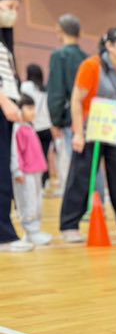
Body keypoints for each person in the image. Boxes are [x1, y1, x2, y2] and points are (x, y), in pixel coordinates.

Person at [59, 27, 116, 243]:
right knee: (81, 176)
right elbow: (76, 100)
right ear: (109, 45)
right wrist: (78, 133)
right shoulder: (91, 66)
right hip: (91, 129)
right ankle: (69, 225)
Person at [0, 0, 33, 253]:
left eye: (17, 9)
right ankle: (4, 236)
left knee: (4, 171)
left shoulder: (5, 41)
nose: (14, 14)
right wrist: (4, 102)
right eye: (9, 7)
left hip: (7, 110)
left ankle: (5, 232)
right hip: (3, 107)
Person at [47, 13, 86, 198]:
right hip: (88, 117)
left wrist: (55, 120)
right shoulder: (87, 58)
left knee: (71, 164)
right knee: (88, 164)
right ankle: (94, 202)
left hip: (69, 118)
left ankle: (76, 203)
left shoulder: (59, 56)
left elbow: (56, 91)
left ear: (60, 30)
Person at [10, 94, 52, 245]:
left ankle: (35, 230)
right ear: (19, 109)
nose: (33, 112)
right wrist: (17, 170)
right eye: (29, 108)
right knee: (28, 202)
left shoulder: (29, 127)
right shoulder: (17, 129)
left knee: (37, 202)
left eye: (34, 108)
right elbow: (15, 152)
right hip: (25, 173)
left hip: (36, 171)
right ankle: (31, 231)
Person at [20, 64, 52, 188]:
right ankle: (45, 182)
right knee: (43, 156)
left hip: (33, 128)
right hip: (46, 127)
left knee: (31, 157)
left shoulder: (25, 86)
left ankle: (35, 183)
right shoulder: (45, 89)